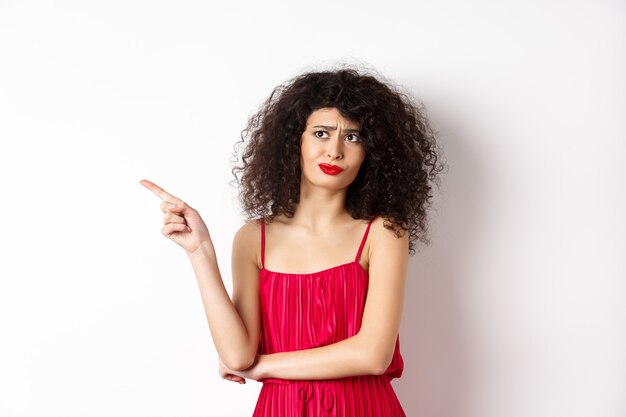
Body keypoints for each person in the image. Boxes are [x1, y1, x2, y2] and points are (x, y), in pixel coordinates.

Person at [140, 66, 444, 416]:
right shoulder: (254, 238)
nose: (334, 151)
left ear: (371, 153)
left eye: (353, 137)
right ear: (293, 141)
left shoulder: (383, 232)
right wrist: (200, 251)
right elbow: (238, 355)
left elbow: (374, 355)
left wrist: (265, 366)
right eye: (321, 133)